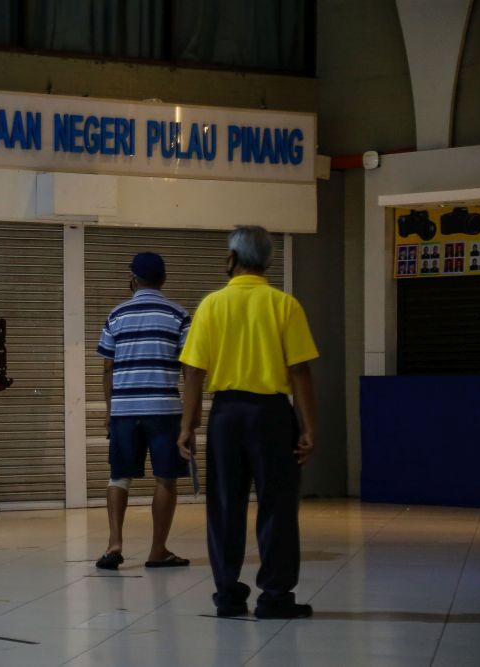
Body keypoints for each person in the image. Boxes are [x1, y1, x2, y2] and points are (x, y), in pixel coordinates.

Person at [178, 225, 318, 619]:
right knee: (278, 505)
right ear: (267, 263)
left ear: (232, 259)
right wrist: (309, 427)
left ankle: (227, 594)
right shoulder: (284, 305)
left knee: (224, 505)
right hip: (272, 416)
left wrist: (188, 426)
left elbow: (193, 373)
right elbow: (300, 371)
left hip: (226, 416)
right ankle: (274, 596)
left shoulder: (211, 305)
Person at [95, 251, 194, 570]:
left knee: (118, 476)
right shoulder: (179, 314)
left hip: (124, 409)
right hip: (164, 410)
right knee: (166, 477)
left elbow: (108, 367)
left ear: (133, 279)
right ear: (163, 280)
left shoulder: (116, 315)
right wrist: (190, 420)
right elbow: (190, 369)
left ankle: (114, 545)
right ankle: (157, 550)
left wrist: (111, 411)